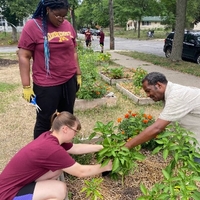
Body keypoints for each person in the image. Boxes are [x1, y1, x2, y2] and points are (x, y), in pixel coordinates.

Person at [0, 111, 112, 200]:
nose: (75, 134)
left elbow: (74, 148)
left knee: (57, 170)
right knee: (60, 190)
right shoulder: (52, 149)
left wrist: (102, 147)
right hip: (8, 194)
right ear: (65, 129)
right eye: (75, 131)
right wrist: (106, 166)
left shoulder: (49, 136)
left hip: (14, 184)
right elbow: (80, 172)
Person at [18, 0, 82, 139]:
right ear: (48, 9)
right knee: (45, 120)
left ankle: (63, 150)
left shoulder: (67, 26)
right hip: (46, 85)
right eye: (58, 15)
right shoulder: (33, 26)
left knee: (67, 118)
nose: (61, 19)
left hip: (69, 80)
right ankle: (41, 154)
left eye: (64, 16)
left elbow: (74, 51)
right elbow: (24, 56)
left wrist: (78, 74)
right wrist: (26, 86)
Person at [125, 72, 200, 150]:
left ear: (159, 85)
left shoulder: (177, 96)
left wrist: (127, 146)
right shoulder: (170, 93)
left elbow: (157, 128)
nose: (147, 95)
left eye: (148, 90)